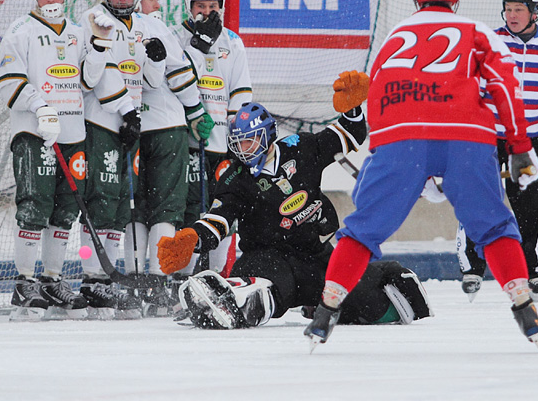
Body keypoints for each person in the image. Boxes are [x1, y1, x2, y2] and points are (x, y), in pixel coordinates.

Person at [303, 0, 538, 352]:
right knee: (493, 226)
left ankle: (326, 311)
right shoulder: (477, 30)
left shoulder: (395, 35)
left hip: (401, 137)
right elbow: (505, 87)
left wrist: (390, 160)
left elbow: (379, 97)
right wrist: (520, 147)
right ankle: (523, 304)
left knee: (363, 229)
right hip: (466, 135)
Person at [156, 91, 433, 330]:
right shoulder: (234, 177)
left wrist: (352, 109)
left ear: (268, 137)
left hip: (316, 256)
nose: (243, 149)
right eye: (238, 142)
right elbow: (219, 220)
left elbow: (349, 135)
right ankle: (235, 300)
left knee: (361, 299)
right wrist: (192, 238)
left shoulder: (301, 149)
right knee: (271, 283)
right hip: (268, 257)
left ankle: (382, 278)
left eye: (250, 140)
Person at [0, 0, 110, 320]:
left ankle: (52, 279)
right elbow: (10, 81)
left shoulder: (78, 32)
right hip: (35, 133)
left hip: (73, 133)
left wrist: (100, 43)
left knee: (65, 210)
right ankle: (25, 282)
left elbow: (88, 82)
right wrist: (39, 107)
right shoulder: (19, 31)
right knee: (35, 204)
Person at [457, 0, 538, 302]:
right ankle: (473, 266)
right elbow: (470, 91)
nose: (512, 15)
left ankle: (530, 269)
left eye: (519, 9)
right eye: (508, 9)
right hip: (487, 140)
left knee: (533, 205)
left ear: (535, 12)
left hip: (527, 143)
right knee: (480, 200)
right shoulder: (488, 44)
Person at [77, 0, 166, 318]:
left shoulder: (140, 25)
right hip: (102, 122)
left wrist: (156, 60)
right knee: (99, 201)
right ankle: (90, 276)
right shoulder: (94, 20)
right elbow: (95, 77)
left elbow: (152, 82)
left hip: (129, 126)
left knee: (117, 206)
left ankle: (109, 278)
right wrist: (125, 112)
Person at [131, 0, 213, 316]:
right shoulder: (125, 25)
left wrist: (194, 111)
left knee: (162, 208)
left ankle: (153, 280)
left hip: (157, 125)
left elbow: (179, 72)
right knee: (137, 208)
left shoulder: (159, 29)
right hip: (136, 128)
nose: (155, 4)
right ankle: (137, 280)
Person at [173, 0, 252, 274]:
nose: (207, 12)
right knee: (190, 210)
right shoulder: (176, 38)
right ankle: (182, 278)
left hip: (221, 144)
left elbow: (241, 93)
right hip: (189, 143)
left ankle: (217, 277)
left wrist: (236, 140)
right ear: (188, 6)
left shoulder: (233, 43)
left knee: (221, 212)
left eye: (213, 6)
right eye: (200, 6)